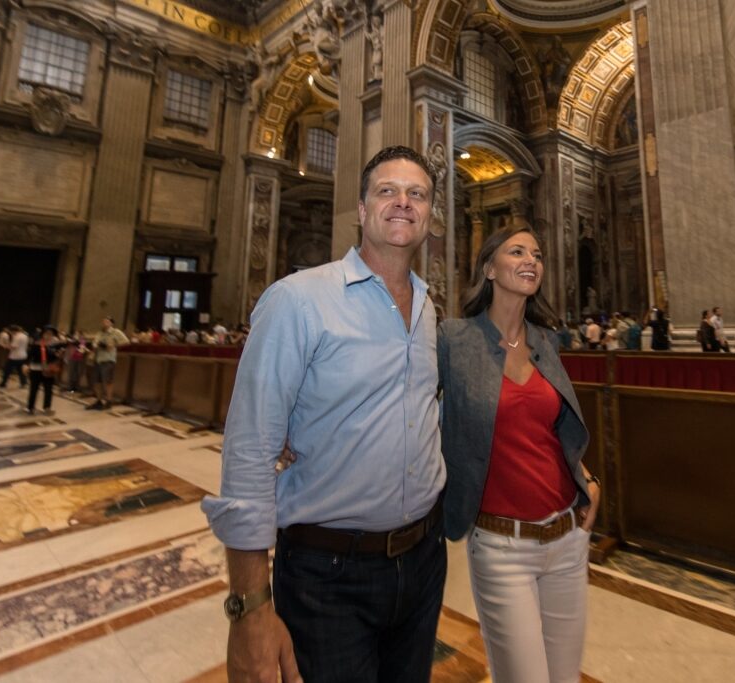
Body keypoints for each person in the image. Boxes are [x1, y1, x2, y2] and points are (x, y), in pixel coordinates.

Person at [202, 146, 446, 683]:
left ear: (430, 215)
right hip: (328, 573)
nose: (403, 202)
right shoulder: (298, 300)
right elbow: (249, 452)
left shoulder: (430, 310)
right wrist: (249, 607)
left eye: (417, 194)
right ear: (361, 209)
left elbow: (422, 413)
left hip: (425, 561)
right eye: (387, 191)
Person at [438, 227, 599, 683]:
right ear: (489, 268)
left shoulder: (546, 341)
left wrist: (589, 479)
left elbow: (550, 429)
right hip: (501, 546)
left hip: (566, 539)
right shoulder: (455, 339)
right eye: (517, 251)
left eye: (538, 254)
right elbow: (406, 406)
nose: (532, 260)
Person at [87, 316, 129, 410]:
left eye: (107, 321)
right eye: (103, 321)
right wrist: (96, 345)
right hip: (98, 358)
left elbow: (126, 341)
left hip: (108, 359)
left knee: (108, 381)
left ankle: (109, 401)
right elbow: (95, 342)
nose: (104, 323)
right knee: (97, 381)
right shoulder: (100, 333)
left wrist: (113, 345)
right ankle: (99, 400)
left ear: (111, 323)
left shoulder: (115, 332)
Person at [25, 326, 63, 415]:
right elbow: (30, 356)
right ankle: (30, 407)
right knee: (34, 389)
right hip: (36, 370)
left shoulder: (54, 346)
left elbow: (54, 358)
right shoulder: (36, 344)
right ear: (42, 334)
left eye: (51, 334)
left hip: (48, 371)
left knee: (48, 390)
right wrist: (26, 365)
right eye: (47, 334)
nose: (49, 336)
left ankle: (47, 407)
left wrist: (57, 355)